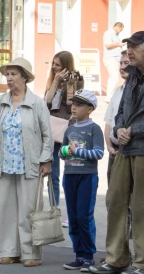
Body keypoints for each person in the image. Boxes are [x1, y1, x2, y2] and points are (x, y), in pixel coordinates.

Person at [90, 31, 144, 274]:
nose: (129, 51)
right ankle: (116, 259)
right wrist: (119, 130)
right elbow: (119, 112)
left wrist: (133, 130)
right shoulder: (131, 77)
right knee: (115, 201)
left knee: (143, 207)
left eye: (134, 47)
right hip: (126, 148)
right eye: (128, 46)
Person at [0, 57, 53, 268]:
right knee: (7, 211)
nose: (9, 78)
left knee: (29, 212)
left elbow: (48, 135)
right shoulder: (1, 102)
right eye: (7, 74)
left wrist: (46, 160)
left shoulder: (36, 103)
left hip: (30, 165)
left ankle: (31, 253)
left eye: (13, 74)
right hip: (5, 164)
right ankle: (10, 251)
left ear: (24, 77)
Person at [59, 90, 104, 272]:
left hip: (87, 176)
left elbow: (99, 153)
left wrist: (77, 151)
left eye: (79, 105)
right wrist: (66, 152)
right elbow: (62, 152)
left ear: (90, 109)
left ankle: (88, 256)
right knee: (73, 218)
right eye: (73, 104)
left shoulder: (94, 129)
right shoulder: (69, 129)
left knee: (84, 216)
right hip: (69, 175)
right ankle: (78, 255)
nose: (74, 107)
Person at [44, 51, 83, 209]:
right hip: (52, 130)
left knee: (71, 170)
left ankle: (72, 210)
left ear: (66, 66)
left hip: (67, 129)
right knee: (52, 173)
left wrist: (70, 84)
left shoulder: (77, 79)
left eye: (57, 64)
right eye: (53, 63)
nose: (54, 67)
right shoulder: (53, 80)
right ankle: (54, 208)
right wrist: (55, 82)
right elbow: (46, 101)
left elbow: (70, 103)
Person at [103, 51, 130, 185]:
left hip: (129, 150)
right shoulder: (117, 91)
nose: (122, 67)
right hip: (114, 151)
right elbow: (108, 122)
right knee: (113, 196)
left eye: (126, 63)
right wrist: (109, 146)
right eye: (121, 63)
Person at [103, 22, 125, 101]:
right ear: (117, 27)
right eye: (120, 29)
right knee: (114, 77)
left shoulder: (116, 35)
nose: (120, 31)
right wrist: (119, 44)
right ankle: (109, 97)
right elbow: (108, 45)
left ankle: (109, 96)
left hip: (116, 58)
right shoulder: (108, 33)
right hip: (111, 58)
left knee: (114, 77)